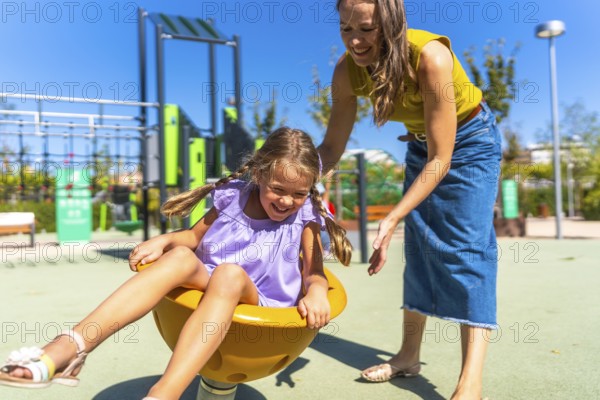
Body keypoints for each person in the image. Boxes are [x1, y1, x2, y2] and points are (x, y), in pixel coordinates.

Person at [0, 127, 352, 399]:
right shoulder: (234, 199)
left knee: (229, 274)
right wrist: (166, 239)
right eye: (278, 188)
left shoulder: (304, 218)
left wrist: (317, 291)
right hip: (212, 284)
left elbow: (314, 271)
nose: (288, 200)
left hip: (261, 307)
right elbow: (194, 238)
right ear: (258, 174)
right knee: (181, 256)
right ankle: (71, 348)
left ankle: (164, 392)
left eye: (299, 193)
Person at [318, 1, 502, 399]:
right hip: (422, 148)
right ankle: (407, 356)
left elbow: (444, 157)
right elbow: (331, 146)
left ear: (391, 23)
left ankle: (470, 384)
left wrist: (394, 215)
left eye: (365, 29)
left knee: (467, 253)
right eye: (345, 28)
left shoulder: (430, 57)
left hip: (470, 144)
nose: (354, 40)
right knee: (418, 252)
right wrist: (301, 183)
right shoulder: (347, 72)